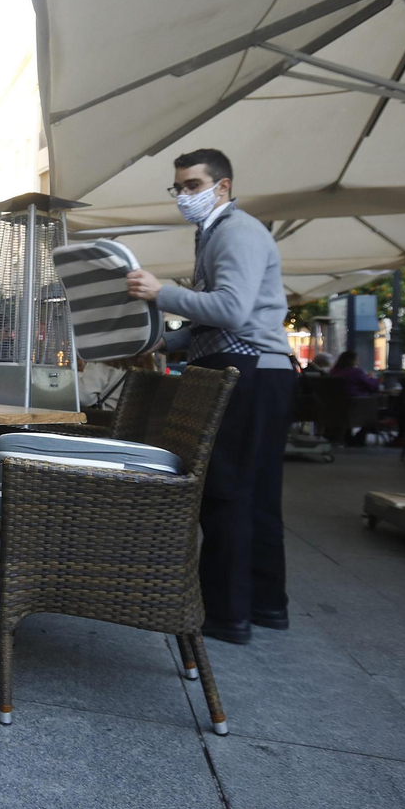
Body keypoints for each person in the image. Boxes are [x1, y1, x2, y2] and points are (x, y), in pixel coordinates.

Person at [124, 147, 296, 646]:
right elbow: (213, 322)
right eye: (179, 187)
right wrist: (167, 341)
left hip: (247, 372)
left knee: (226, 493)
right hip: (261, 371)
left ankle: (226, 614)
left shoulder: (236, 232)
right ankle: (265, 606)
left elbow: (233, 310)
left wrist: (161, 293)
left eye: (194, 186)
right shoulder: (217, 234)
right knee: (257, 496)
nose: (184, 196)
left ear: (222, 188)